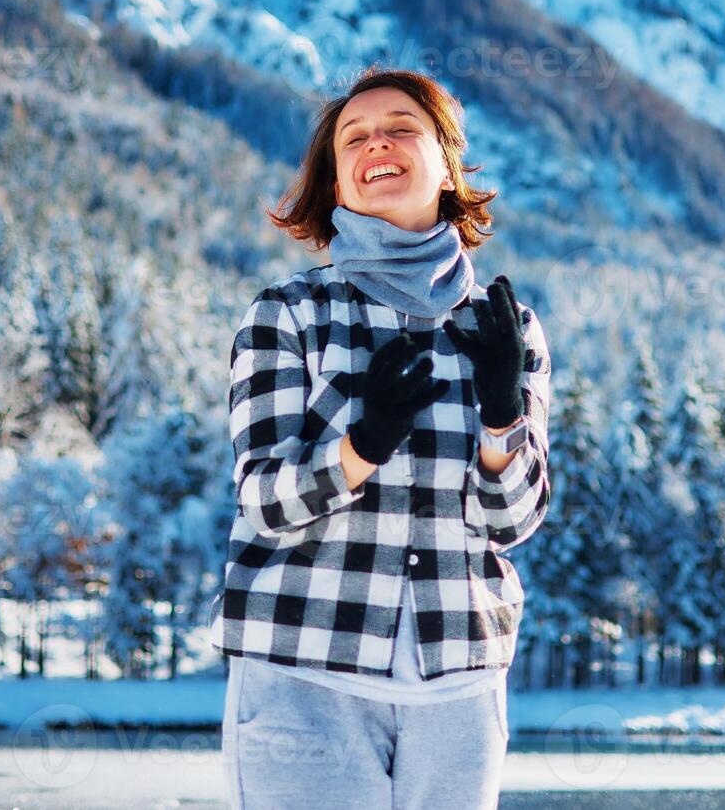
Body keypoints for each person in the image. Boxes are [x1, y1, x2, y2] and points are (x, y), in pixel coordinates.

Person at [207, 66, 554, 809]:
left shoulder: (507, 328)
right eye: (354, 139)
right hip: (305, 671)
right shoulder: (289, 315)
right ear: (337, 183)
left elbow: (513, 521)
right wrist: (361, 446)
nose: (378, 144)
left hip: (458, 679)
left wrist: (502, 416)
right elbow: (263, 502)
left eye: (402, 128)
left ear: (446, 162)